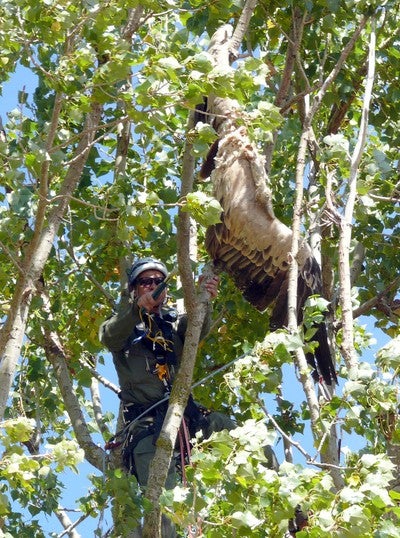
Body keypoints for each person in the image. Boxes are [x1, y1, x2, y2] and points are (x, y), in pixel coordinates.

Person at [99, 257, 236, 537]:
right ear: (134, 289)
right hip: (148, 427)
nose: (152, 286)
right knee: (164, 501)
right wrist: (138, 309)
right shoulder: (124, 325)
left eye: (157, 282)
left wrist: (204, 298)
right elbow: (109, 337)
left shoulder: (173, 326)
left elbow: (197, 329)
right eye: (145, 282)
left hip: (188, 417)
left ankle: (293, 513)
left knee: (238, 433)